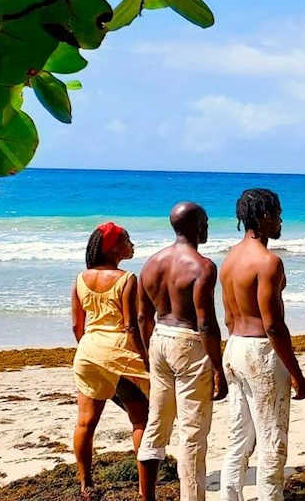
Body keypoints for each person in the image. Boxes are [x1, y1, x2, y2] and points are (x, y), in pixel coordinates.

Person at [219, 188, 305, 501]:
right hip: (260, 352)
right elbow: (273, 324)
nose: (282, 219)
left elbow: (229, 317)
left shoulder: (230, 258)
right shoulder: (268, 262)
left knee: (240, 434)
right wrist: (296, 372)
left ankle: (230, 496)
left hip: (234, 346)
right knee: (272, 437)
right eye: (279, 213)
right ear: (266, 216)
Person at [137, 202, 225, 501]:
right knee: (192, 433)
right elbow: (206, 322)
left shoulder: (151, 263)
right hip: (189, 342)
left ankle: (146, 496)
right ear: (196, 226)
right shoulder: (202, 266)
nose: (208, 227)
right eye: (206, 221)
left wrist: (148, 353)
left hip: (159, 338)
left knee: (156, 424)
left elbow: (141, 317)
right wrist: (218, 368)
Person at [70, 222, 152, 501]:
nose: (132, 244)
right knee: (141, 420)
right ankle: (144, 492)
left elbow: (76, 326)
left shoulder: (81, 279)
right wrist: (145, 357)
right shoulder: (127, 279)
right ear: (113, 248)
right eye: (127, 240)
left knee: (85, 423)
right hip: (118, 352)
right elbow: (132, 325)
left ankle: (85, 485)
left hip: (88, 352)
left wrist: (88, 349)